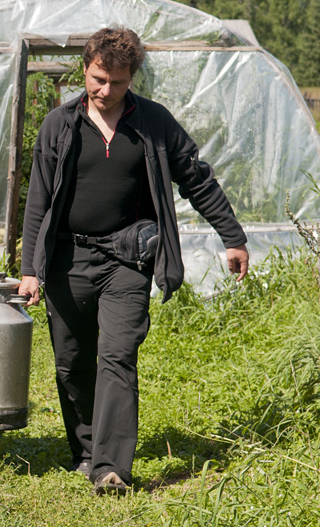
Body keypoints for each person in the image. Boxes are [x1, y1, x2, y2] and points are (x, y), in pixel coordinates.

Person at [17, 26, 248, 494]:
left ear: (131, 79)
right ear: (85, 70)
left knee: (117, 355)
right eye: (98, 79)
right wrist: (28, 268)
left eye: (117, 83)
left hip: (127, 256)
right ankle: (85, 452)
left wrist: (232, 235)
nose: (105, 91)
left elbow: (196, 178)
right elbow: (38, 200)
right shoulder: (59, 125)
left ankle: (110, 468)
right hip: (67, 257)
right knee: (71, 361)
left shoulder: (153, 123)